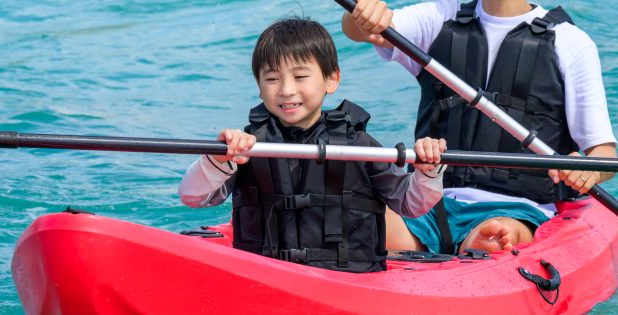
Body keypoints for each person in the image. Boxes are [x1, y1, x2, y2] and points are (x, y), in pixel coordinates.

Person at [342, 0, 618, 256]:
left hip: (518, 208)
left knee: (498, 232)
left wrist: (589, 169)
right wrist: (361, 14)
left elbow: (603, 152)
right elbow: (363, 30)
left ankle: (486, 242)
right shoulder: (438, 20)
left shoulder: (570, 43)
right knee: (359, 214)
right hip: (429, 200)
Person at [179, 16, 448, 273]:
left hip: (347, 280)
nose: (286, 90)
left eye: (300, 77)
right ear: (259, 86)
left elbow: (412, 204)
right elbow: (193, 197)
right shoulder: (247, 147)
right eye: (272, 79)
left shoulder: (360, 146)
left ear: (332, 79)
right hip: (264, 274)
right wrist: (217, 160)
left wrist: (427, 171)